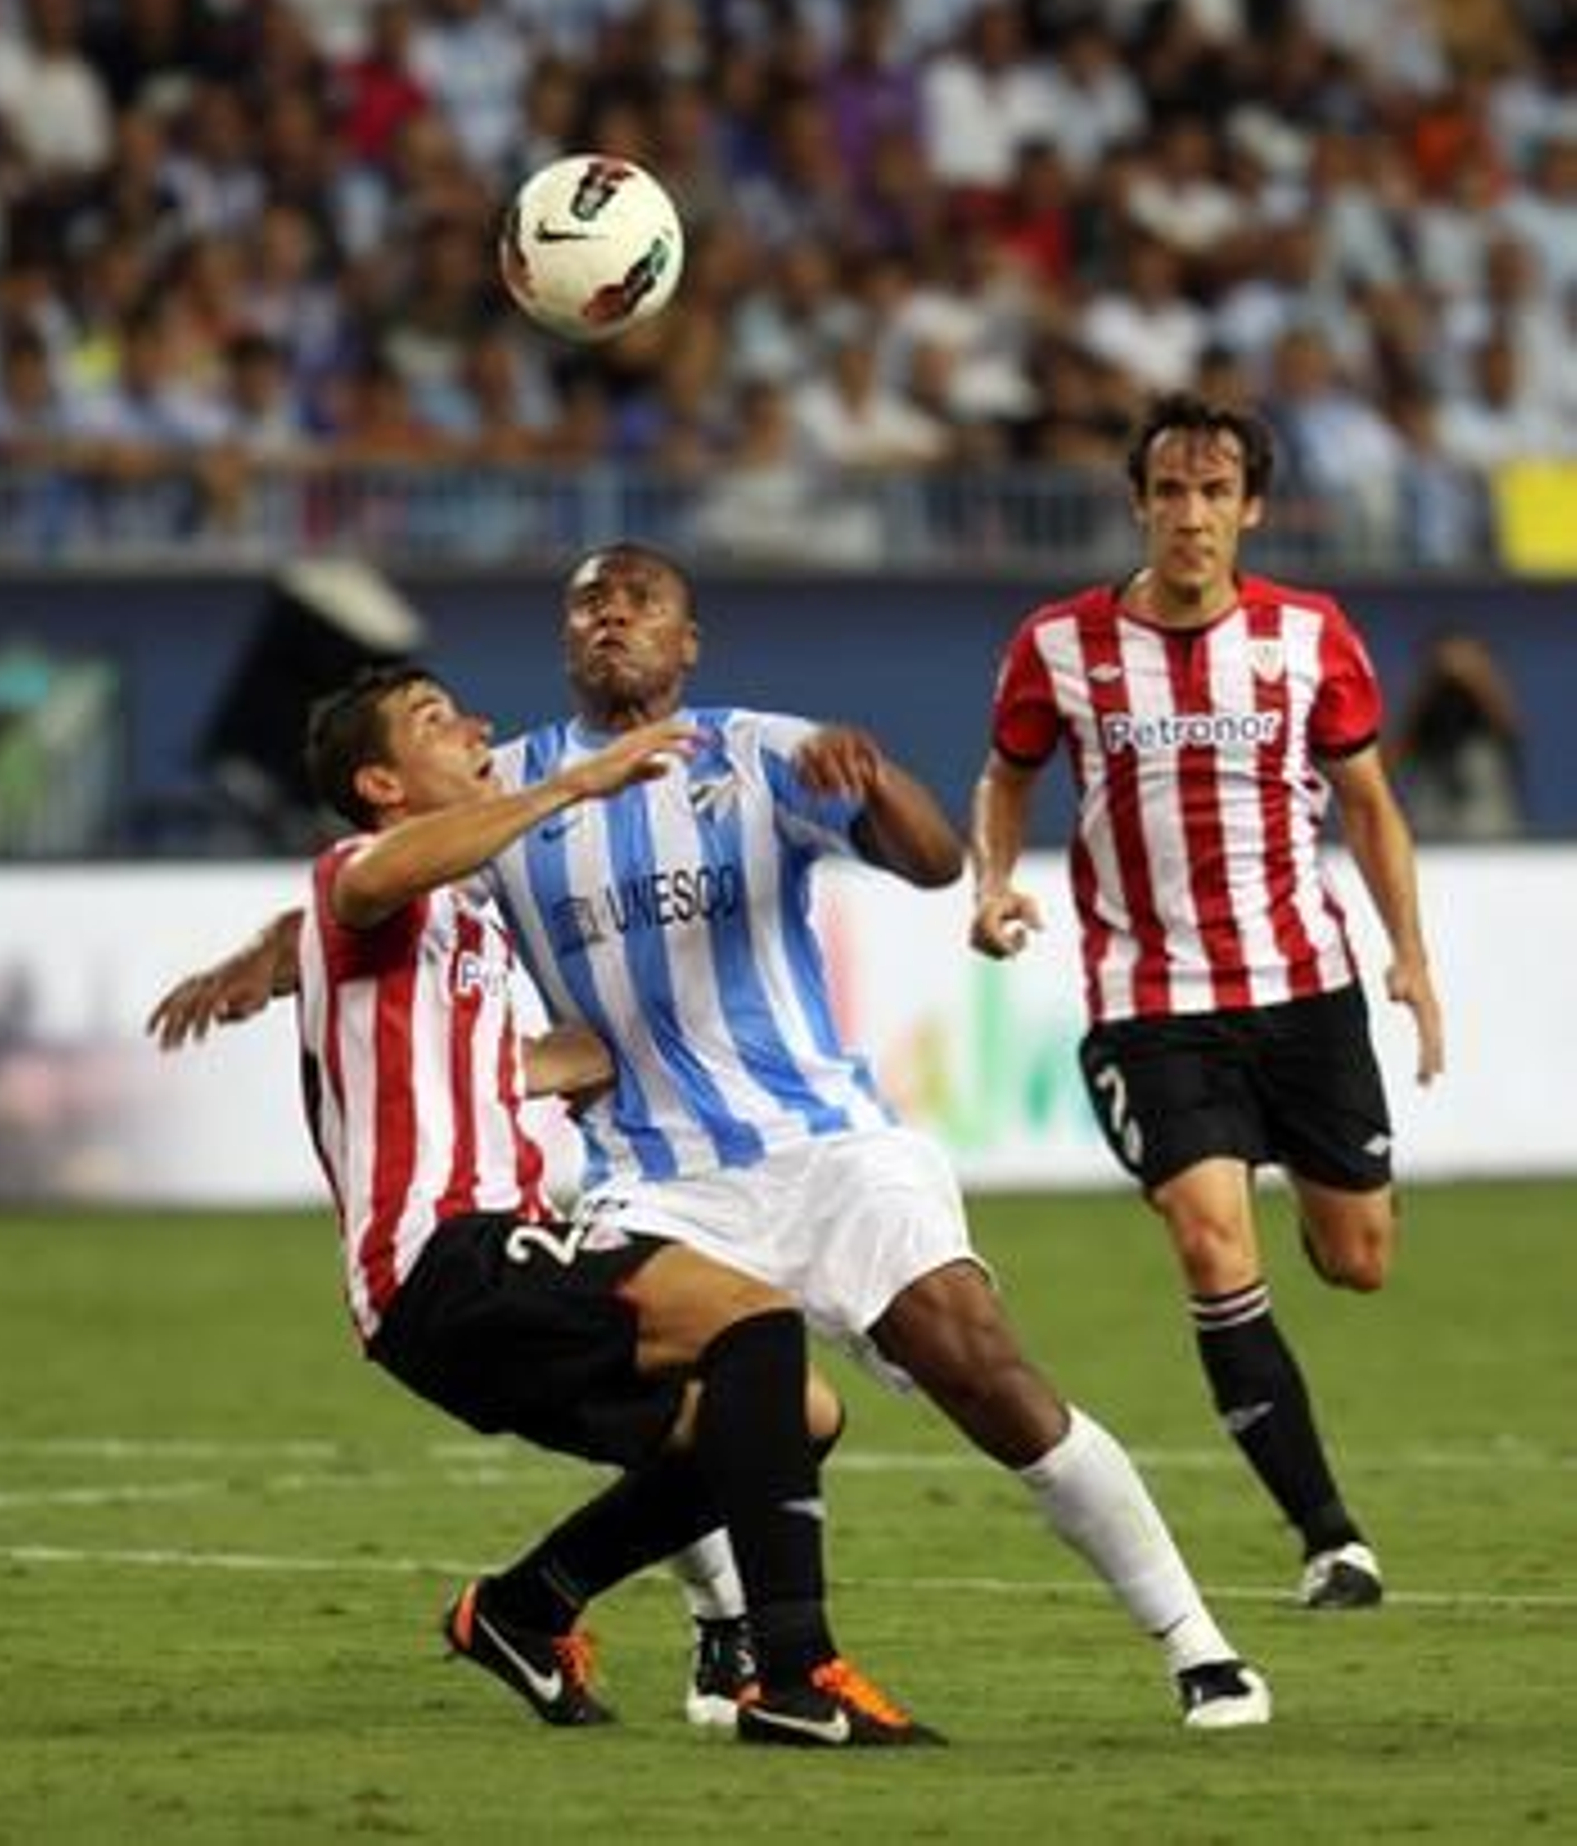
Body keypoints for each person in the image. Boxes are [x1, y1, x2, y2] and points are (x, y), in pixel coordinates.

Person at [156, 542, 1272, 1730]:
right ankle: (745, 1642)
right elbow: (370, 883)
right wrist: (258, 962)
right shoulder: (510, 793)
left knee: (976, 1364)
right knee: (729, 1377)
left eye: (640, 600)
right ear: (565, 637)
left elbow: (934, 860)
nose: (612, 615)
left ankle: (1193, 1643)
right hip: (649, 1173)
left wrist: (877, 777)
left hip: (818, 1141)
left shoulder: (754, 751)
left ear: (687, 641)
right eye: (588, 600)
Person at [151, 662, 938, 1748]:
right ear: (380, 781)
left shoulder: (464, 930)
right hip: (442, 1258)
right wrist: (578, 784)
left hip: (476, 1275)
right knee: (750, 1318)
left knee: (790, 1416)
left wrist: (583, 1056)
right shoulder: (364, 876)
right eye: (436, 721)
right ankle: (795, 1675)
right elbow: (361, 886)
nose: (475, 724)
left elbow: (531, 1050)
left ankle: (524, 1608)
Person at [969, 391, 1445, 1610]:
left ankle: (1289, 1172)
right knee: (1207, 1240)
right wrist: (992, 886)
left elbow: (1373, 805)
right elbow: (1004, 778)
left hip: (1304, 987)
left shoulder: (1309, 635)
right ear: (1137, 503)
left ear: (1252, 509)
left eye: (1213, 492)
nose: (1190, 515)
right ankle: (1330, 1536)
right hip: (1148, 1000)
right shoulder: (1057, 646)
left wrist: (1411, 956)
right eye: (1169, 491)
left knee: (1359, 1259)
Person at [1388, 630, 1527, 841]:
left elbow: (1512, 732)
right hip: (1432, 830)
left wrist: (1476, 676)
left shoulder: (1488, 704)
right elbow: (1391, 756)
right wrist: (1430, 682)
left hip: (1490, 834)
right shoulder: (1423, 706)